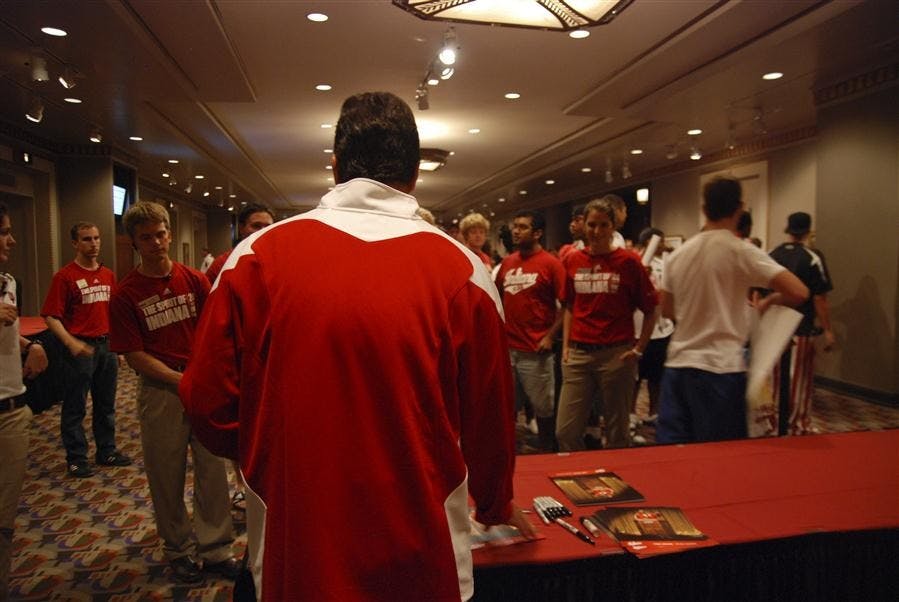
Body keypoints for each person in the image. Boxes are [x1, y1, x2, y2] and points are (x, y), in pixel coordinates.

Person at [180, 91, 535, 601]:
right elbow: (490, 417)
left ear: (334, 167)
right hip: (421, 545)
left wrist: (272, 451)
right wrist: (496, 502)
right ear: (415, 174)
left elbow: (207, 402)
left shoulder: (254, 258)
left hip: (297, 536)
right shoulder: (463, 271)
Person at [109, 201, 238, 584]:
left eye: (161, 234)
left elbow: (213, 328)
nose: (156, 243)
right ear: (134, 242)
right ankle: (178, 550)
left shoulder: (193, 280)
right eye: (146, 237)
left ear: (169, 233)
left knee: (213, 469)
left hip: (200, 384)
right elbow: (134, 354)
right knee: (166, 475)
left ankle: (216, 549)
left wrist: (205, 375)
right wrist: (178, 379)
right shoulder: (126, 294)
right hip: (160, 391)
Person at [657, 177, 809, 444]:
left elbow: (667, 310)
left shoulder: (679, 254)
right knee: (720, 454)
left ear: (704, 208)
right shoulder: (740, 251)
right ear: (739, 208)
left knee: (674, 453)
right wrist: (769, 301)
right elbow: (799, 292)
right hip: (721, 366)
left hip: (678, 364)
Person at [555, 197, 658, 451]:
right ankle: (582, 471)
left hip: (616, 354)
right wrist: (566, 347)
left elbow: (651, 309)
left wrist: (639, 349)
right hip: (578, 354)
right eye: (592, 224)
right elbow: (570, 306)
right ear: (583, 225)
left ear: (613, 227)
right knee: (566, 431)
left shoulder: (629, 262)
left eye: (603, 225)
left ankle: (613, 475)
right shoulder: (572, 260)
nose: (597, 231)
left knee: (617, 433)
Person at [41, 222, 131, 478]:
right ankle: (76, 458)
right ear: (75, 243)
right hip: (79, 347)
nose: (94, 243)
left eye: (96, 238)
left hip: (107, 347)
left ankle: (106, 450)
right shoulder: (65, 276)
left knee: (106, 403)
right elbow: (50, 316)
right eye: (87, 239)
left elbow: (113, 313)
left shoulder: (108, 275)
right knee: (75, 405)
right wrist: (70, 342)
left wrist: (119, 348)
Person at [0, 203, 48, 598]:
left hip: (12, 411)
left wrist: (30, 345)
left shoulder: (7, 282)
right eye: (3, 232)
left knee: (4, 519)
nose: (11, 240)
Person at [495, 210, 565, 451]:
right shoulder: (508, 263)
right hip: (508, 348)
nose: (516, 231)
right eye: (515, 226)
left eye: (523, 227)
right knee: (507, 405)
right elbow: (497, 298)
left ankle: (547, 450)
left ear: (537, 233)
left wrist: (550, 336)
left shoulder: (551, 264)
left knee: (543, 407)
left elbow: (567, 306)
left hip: (536, 350)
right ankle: (508, 451)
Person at [769, 212, 835, 435]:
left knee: (776, 380)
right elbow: (819, 298)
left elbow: (759, 290)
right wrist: (828, 330)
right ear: (807, 231)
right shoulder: (812, 258)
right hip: (801, 327)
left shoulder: (772, 254)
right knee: (799, 380)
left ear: (788, 230)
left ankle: (774, 422)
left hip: (774, 328)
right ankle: (797, 424)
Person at [633, 227, 675, 425]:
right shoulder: (636, 261)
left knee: (656, 376)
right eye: (660, 241)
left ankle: (654, 412)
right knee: (636, 376)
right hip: (638, 327)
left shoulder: (664, 263)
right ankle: (631, 413)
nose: (663, 244)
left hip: (661, 329)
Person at [204, 203, 274, 283]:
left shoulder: (278, 260)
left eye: (268, 227)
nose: (263, 230)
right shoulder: (223, 263)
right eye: (256, 226)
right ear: (241, 228)